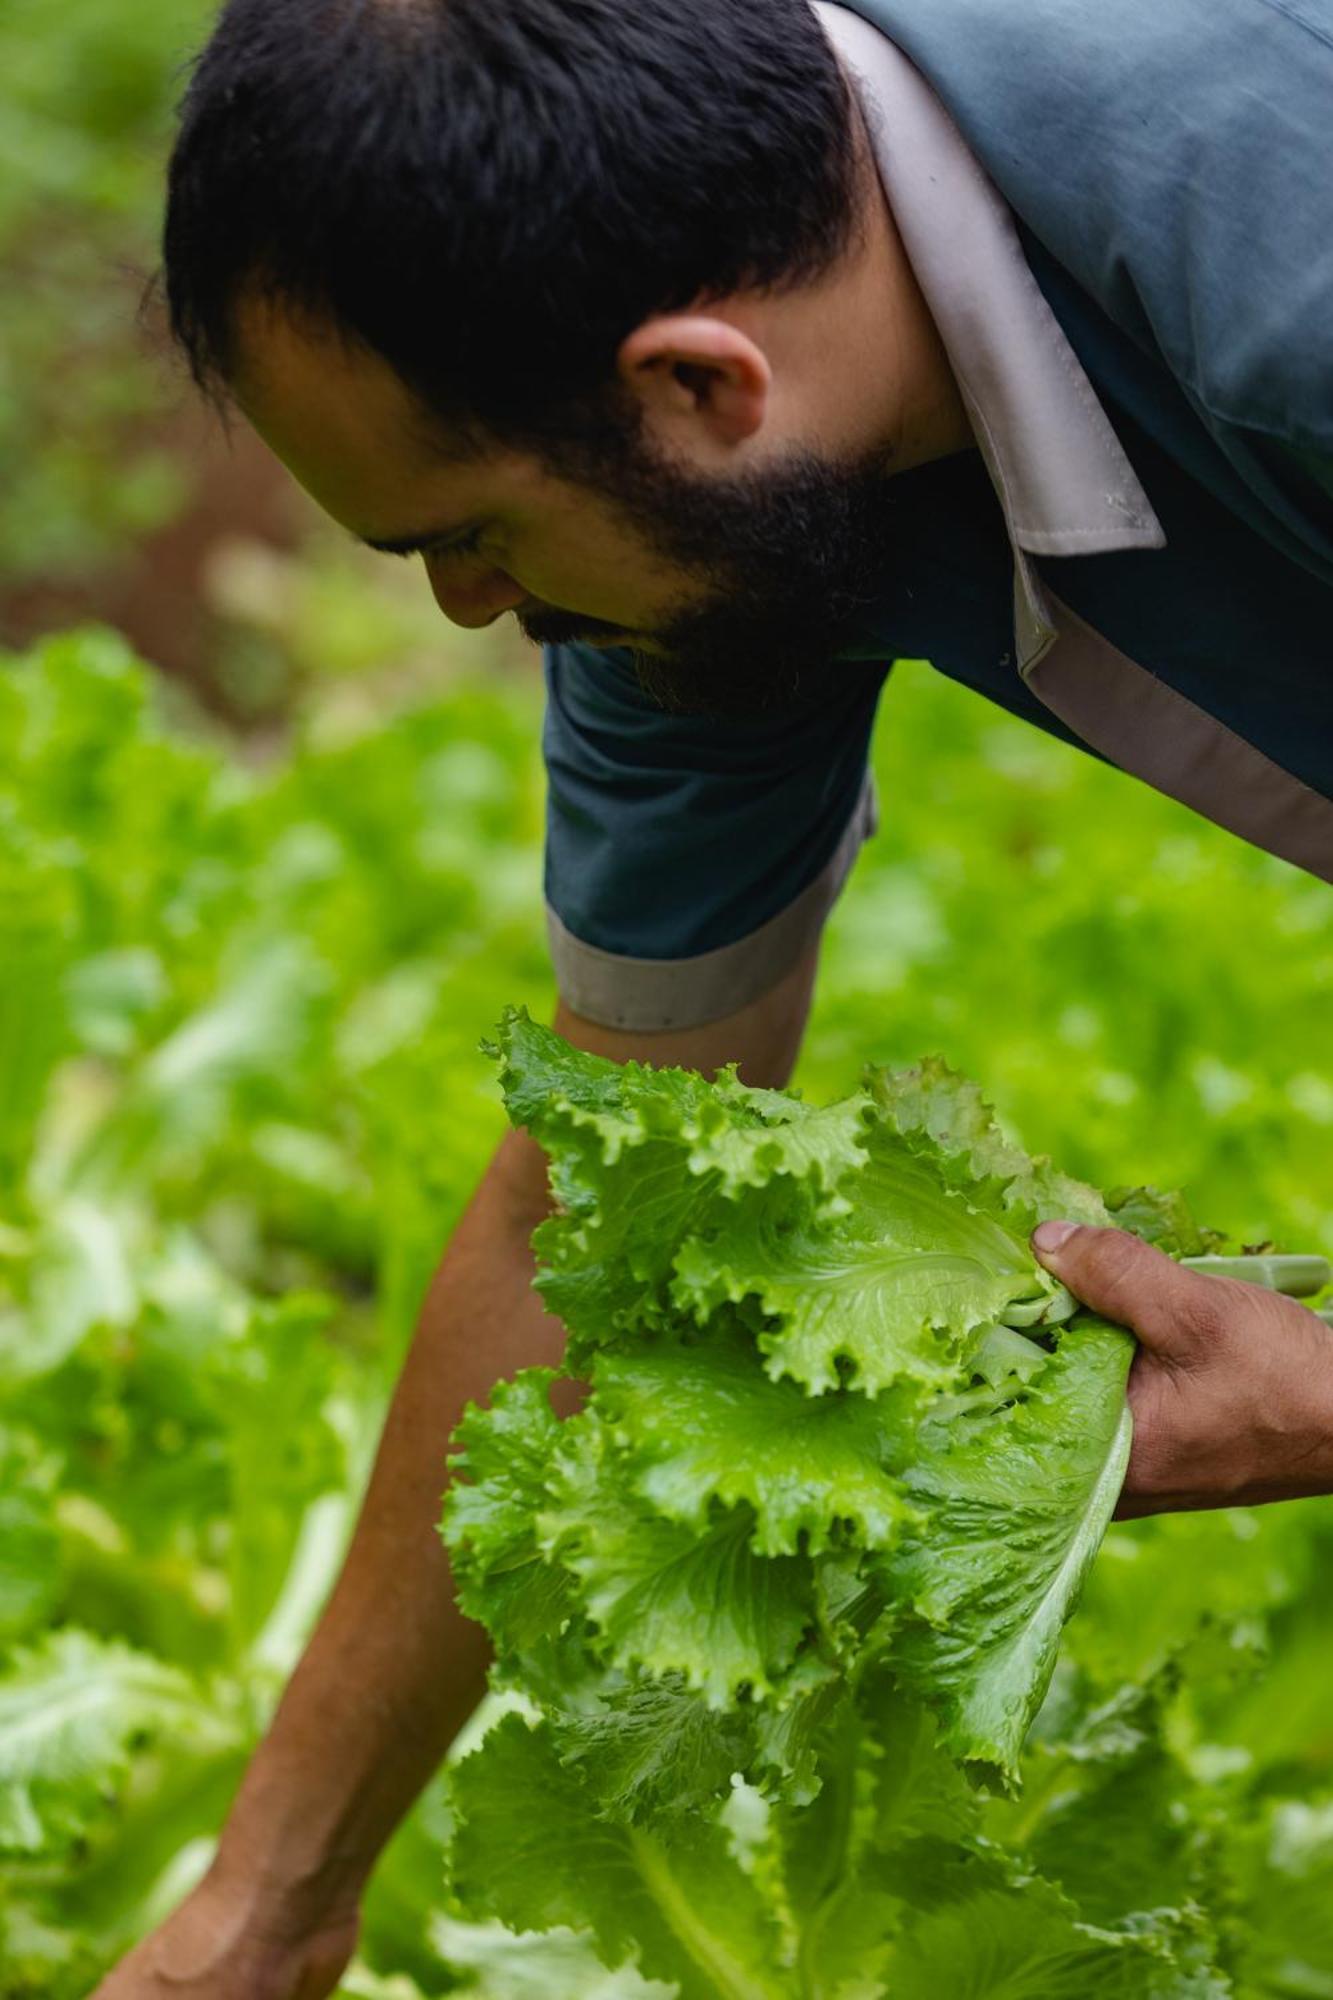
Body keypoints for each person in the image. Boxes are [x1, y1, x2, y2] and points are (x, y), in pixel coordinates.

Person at [99, 0, 1332, 1990]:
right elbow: (603, 1200)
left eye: (470, 537)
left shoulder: (1277, 231)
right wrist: (272, 1903)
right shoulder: (713, 528)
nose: (471, 613)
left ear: (696, 381)